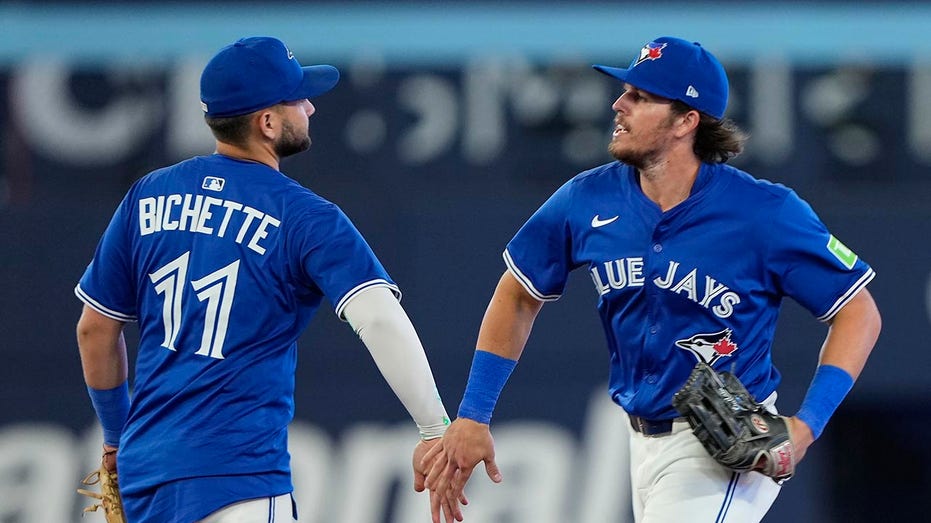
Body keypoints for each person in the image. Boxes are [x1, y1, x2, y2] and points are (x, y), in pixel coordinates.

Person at [424, 36, 881, 523]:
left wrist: (807, 426)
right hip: (639, 441)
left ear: (686, 121)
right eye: (626, 91)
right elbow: (518, 295)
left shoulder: (765, 212)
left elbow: (858, 311)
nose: (618, 105)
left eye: (641, 97)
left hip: (721, 445)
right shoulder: (587, 198)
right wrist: (473, 414)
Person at [74, 36, 451, 522]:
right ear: (267, 123)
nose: (310, 107)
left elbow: (95, 329)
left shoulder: (147, 195)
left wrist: (115, 439)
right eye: (298, 99)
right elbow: (378, 319)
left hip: (147, 480)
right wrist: (434, 430)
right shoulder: (305, 215)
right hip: (237, 479)